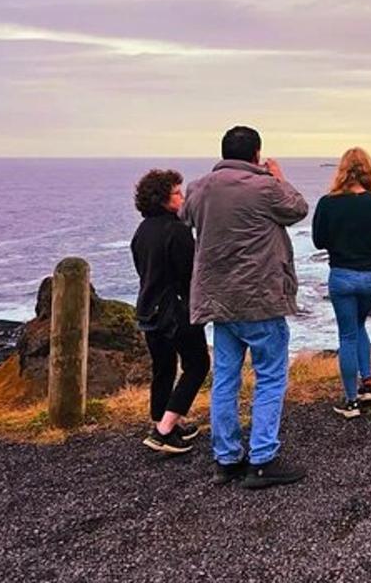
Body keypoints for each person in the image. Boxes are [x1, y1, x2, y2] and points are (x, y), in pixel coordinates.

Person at [182, 126, 309, 489]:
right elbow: (297, 209)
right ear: (256, 155)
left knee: (225, 378)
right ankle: (263, 459)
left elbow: (186, 218)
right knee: (269, 376)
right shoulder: (266, 187)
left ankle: (226, 459)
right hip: (261, 298)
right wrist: (279, 177)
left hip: (218, 300)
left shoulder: (200, 187)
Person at [311, 147, 371, 418]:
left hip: (341, 275)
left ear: (342, 171)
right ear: (368, 171)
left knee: (348, 334)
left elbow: (318, 240)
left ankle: (351, 402)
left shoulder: (328, 203)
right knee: (358, 325)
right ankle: (367, 384)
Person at [130, 168, 210, 455]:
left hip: (148, 309)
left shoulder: (142, 231)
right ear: (163, 199)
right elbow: (191, 272)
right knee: (198, 365)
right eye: (177, 192)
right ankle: (163, 430)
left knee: (163, 368)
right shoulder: (177, 230)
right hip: (175, 310)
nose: (183, 196)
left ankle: (163, 421)